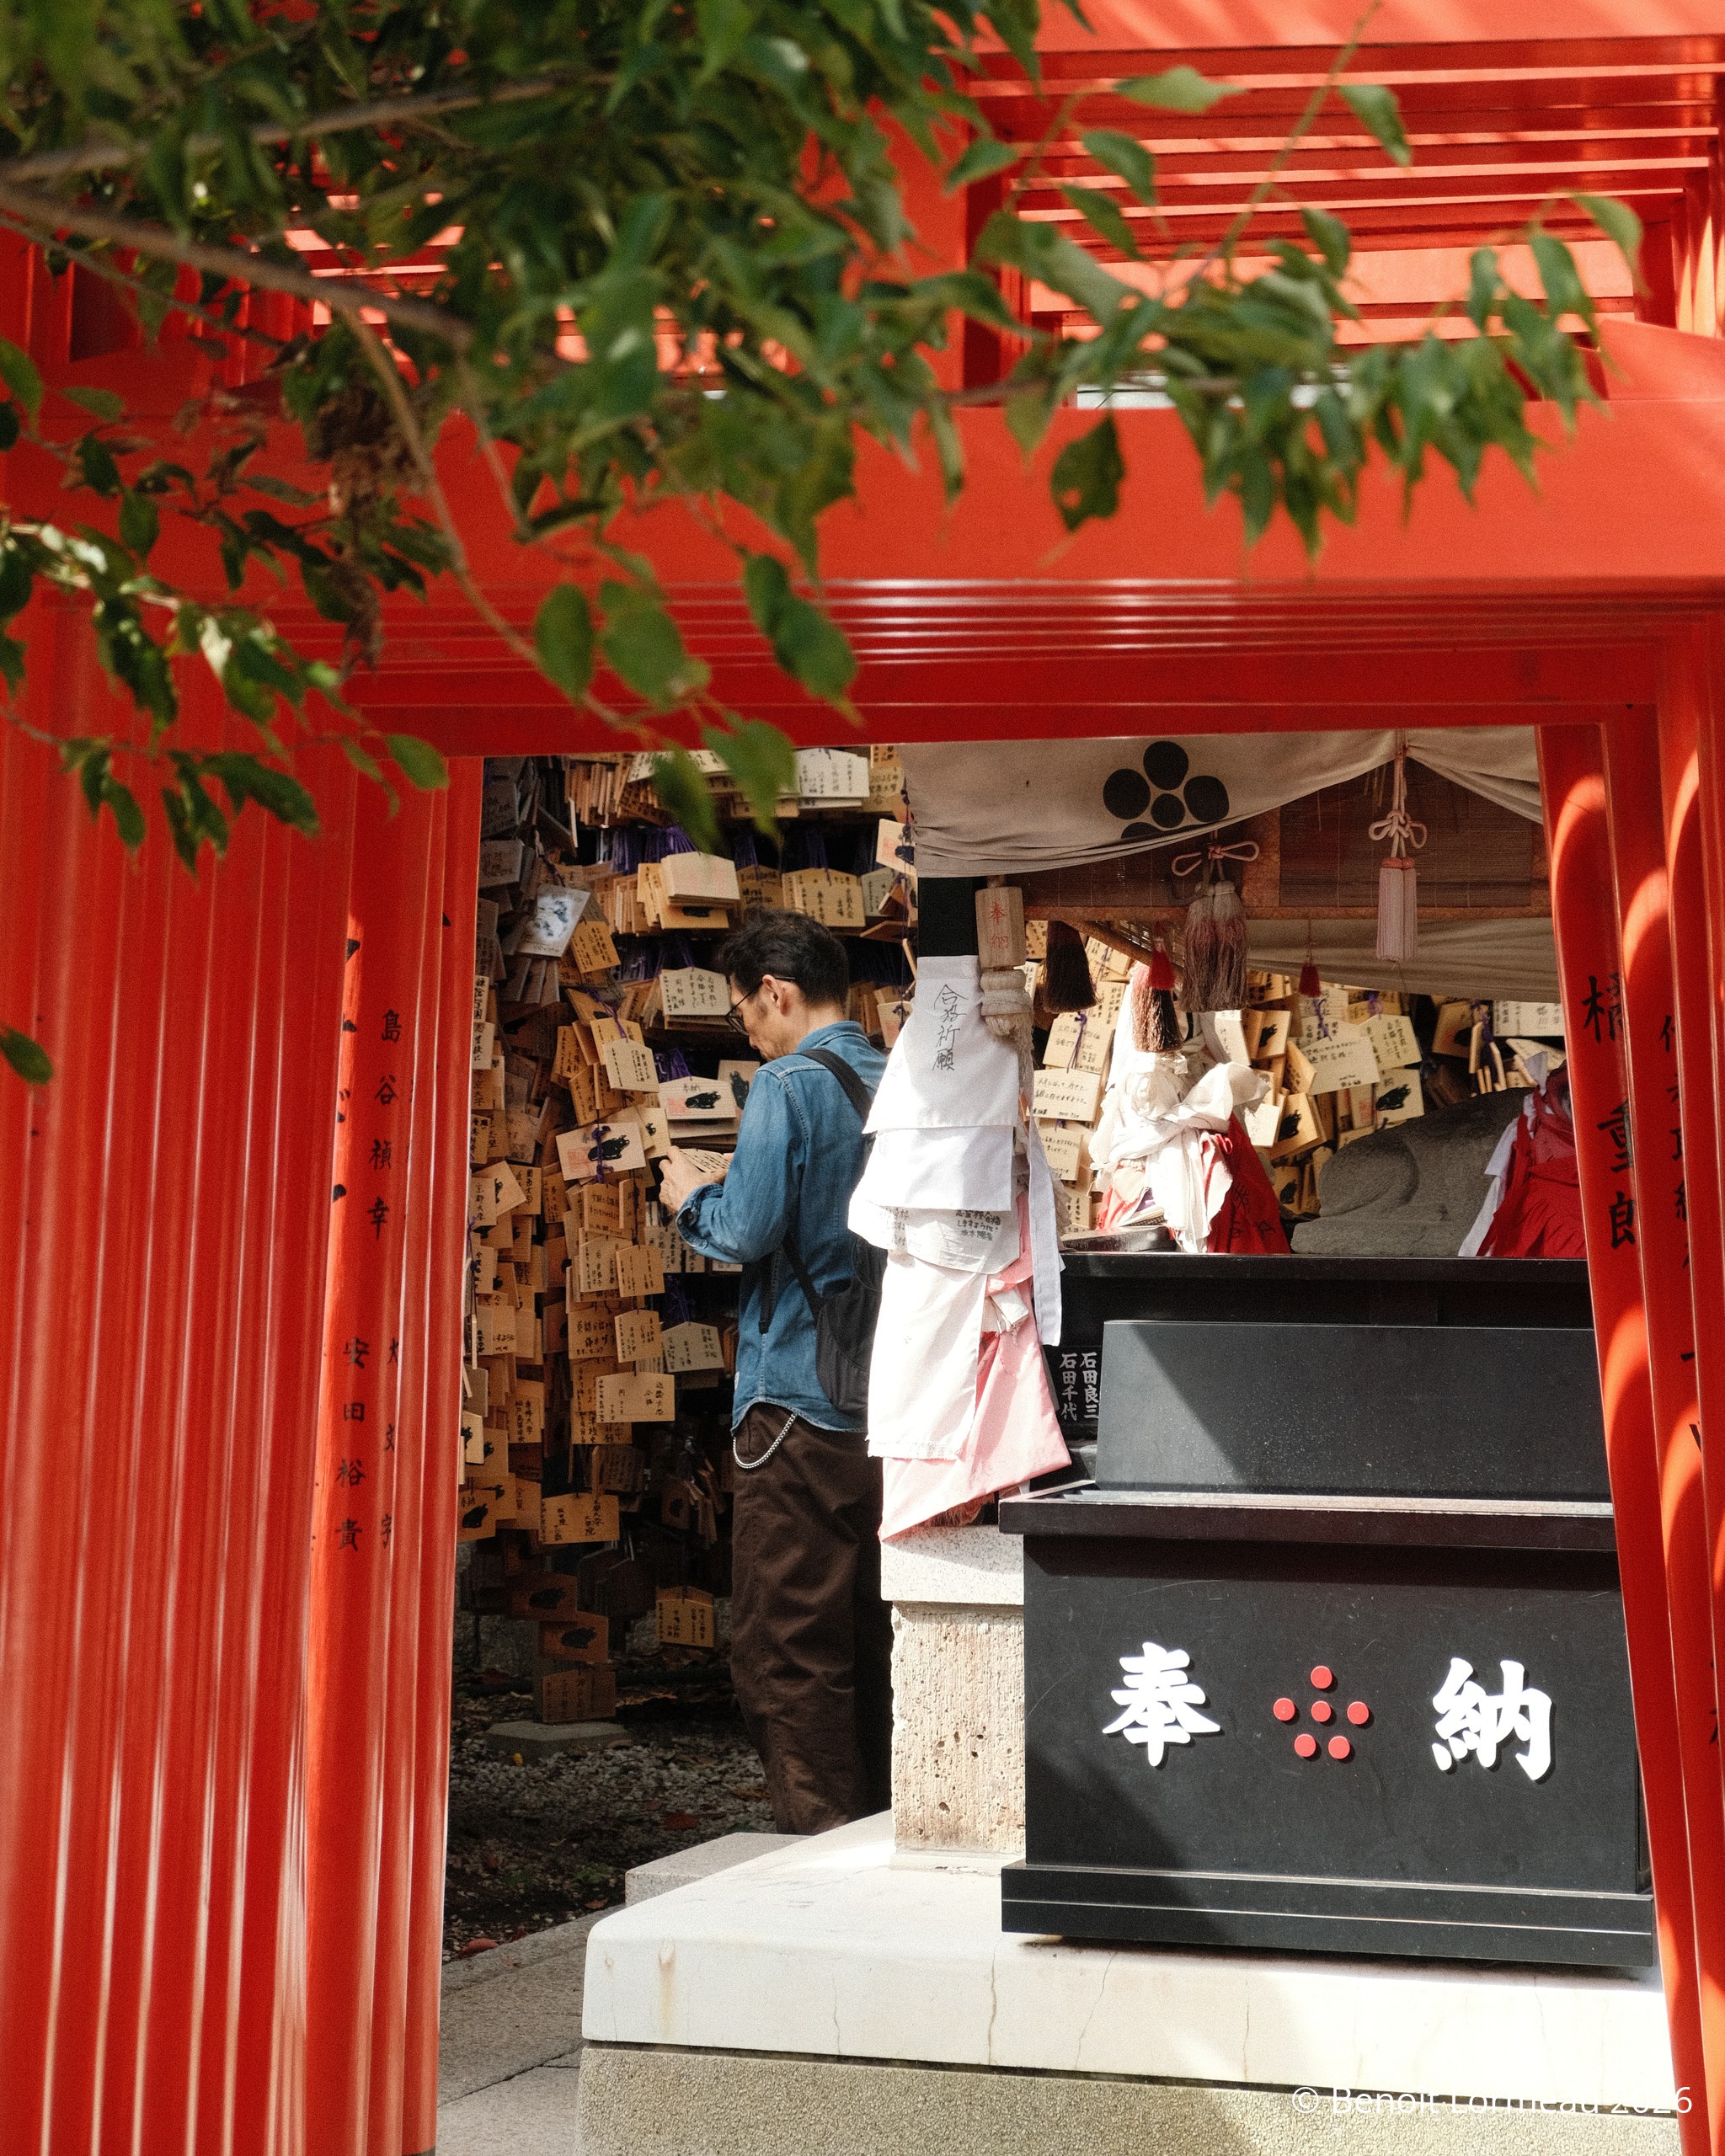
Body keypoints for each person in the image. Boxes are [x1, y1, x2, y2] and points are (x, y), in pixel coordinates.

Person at [658, 907, 892, 1834]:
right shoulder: (896, 1078)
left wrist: (691, 1199)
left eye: (743, 1013)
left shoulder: (786, 1084)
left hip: (792, 1398)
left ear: (775, 993)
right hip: (890, 1400)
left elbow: (748, 1231)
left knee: (785, 1647)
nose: (747, 1034)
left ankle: (820, 1848)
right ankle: (881, 1832)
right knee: (871, 1634)